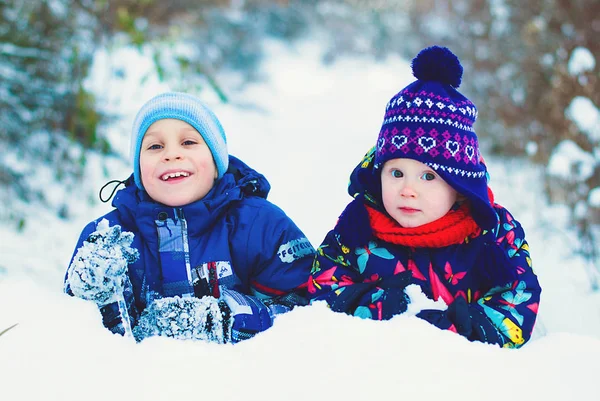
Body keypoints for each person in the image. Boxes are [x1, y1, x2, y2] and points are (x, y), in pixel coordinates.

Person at [308, 46, 541, 348]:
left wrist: (466, 328)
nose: (408, 189)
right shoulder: (359, 225)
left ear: (458, 185)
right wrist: (378, 307)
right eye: (396, 173)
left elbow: (518, 298)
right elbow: (323, 283)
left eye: (428, 177)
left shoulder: (493, 233)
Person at [65, 92, 315, 344]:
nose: (172, 154)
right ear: (139, 167)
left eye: (188, 143)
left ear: (217, 163)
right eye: (155, 146)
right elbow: (74, 333)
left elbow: (306, 310)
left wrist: (229, 320)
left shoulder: (260, 226)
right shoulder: (109, 235)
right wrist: (101, 302)